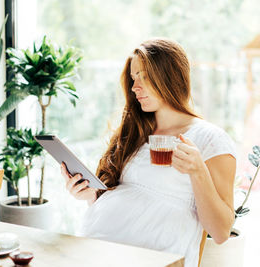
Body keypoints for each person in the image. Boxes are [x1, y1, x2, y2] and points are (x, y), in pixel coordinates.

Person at [60, 38, 236, 267]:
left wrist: (198, 171)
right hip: (99, 249)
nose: (134, 88)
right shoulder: (135, 131)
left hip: (152, 259)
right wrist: (90, 196)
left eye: (143, 76)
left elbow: (221, 232)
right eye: (134, 78)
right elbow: (127, 199)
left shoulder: (210, 139)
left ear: (170, 77)